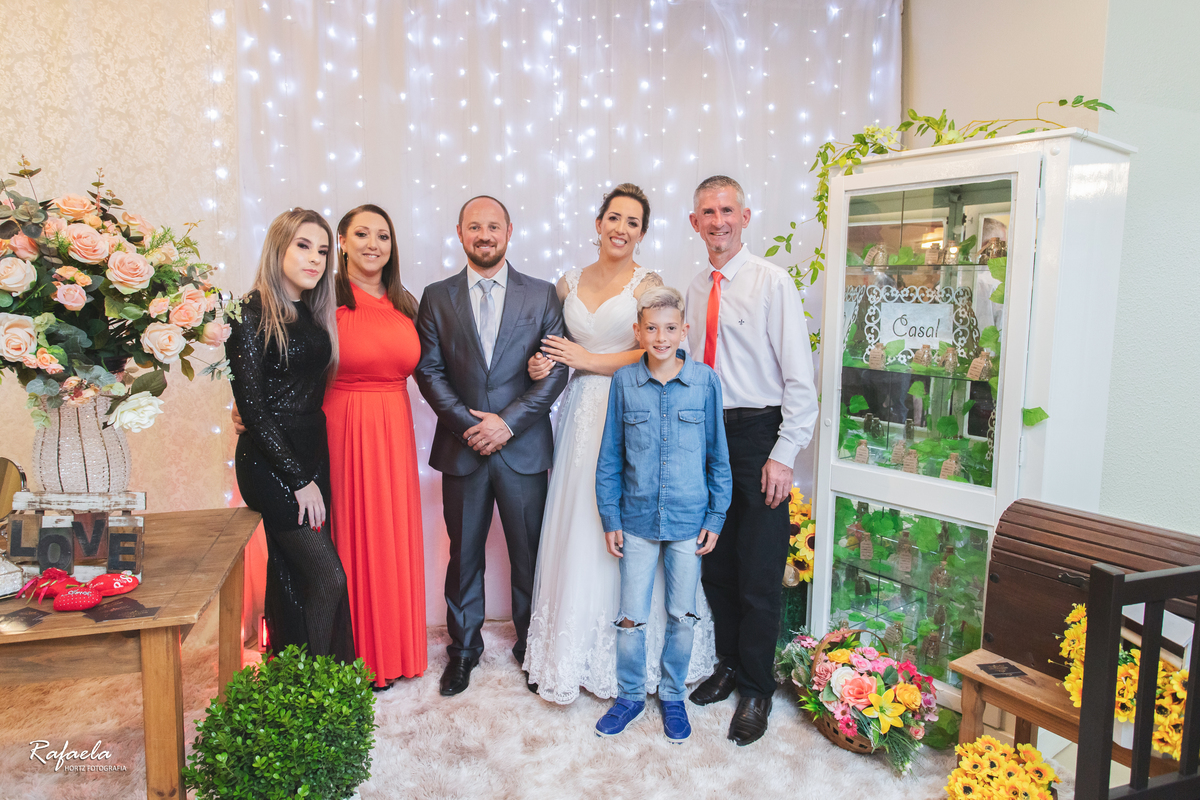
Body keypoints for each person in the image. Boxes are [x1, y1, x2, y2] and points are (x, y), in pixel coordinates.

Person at [523, 184, 717, 704]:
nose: (621, 229)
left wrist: (587, 360)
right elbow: (548, 342)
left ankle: (642, 655)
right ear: (598, 222)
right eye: (614, 217)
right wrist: (542, 362)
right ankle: (573, 652)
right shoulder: (567, 282)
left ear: (642, 233)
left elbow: (657, 349)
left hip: (631, 404)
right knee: (580, 518)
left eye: (633, 222)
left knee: (629, 514)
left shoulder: (648, 283)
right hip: (578, 411)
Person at [413, 195, 569, 696]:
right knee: (463, 556)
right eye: (475, 226)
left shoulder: (541, 294)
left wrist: (506, 424)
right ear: (460, 232)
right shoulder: (436, 296)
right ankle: (463, 650)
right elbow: (429, 371)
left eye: (494, 226)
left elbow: (557, 371)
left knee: (530, 556)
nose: (485, 235)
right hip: (463, 449)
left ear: (509, 231)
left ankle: (533, 647)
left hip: (522, 449)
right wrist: (470, 427)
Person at [683, 175, 819, 745]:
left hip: (759, 435)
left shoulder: (771, 282)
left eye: (727, 211)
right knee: (716, 564)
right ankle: (731, 664)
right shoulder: (694, 288)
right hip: (706, 435)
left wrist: (783, 455)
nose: (718, 221)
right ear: (695, 223)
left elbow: (800, 380)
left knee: (760, 567)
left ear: (744, 217)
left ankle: (758, 688)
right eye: (708, 213)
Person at [592, 286, 731, 742]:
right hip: (636, 520)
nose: (661, 337)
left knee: (682, 614)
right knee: (631, 617)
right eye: (651, 328)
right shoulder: (624, 382)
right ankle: (630, 695)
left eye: (670, 328)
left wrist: (715, 518)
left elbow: (718, 458)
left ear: (684, 330)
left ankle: (672, 696)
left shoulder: (705, 382)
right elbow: (610, 457)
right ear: (638, 331)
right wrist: (610, 517)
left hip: (689, 522)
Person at [226, 207, 353, 662]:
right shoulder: (249, 312)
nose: (315, 258)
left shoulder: (312, 312)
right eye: (303, 246)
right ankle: (316, 682)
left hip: (311, 453)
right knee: (327, 577)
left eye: (323, 250)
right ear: (278, 247)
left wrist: (310, 473)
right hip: (271, 463)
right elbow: (254, 410)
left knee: (294, 575)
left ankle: (295, 674)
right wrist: (299, 480)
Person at [324, 204, 426, 689]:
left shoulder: (406, 302)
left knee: (390, 536)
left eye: (382, 235)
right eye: (361, 234)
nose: (373, 244)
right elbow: (288, 363)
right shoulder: (322, 298)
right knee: (350, 536)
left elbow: (438, 370)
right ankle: (357, 657)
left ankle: (395, 650)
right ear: (342, 242)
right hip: (341, 427)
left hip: (394, 429)